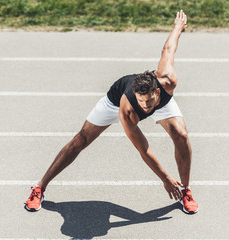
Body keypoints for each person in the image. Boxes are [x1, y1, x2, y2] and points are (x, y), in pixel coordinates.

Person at [25, 10, 198, 214]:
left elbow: (168, 49)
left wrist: (177, 27)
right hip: (112, 103)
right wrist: (165, 178)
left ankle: (186, 191)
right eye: (142, 102)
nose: (146, 107)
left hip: (163, 103)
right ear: (136, 95)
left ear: (157, 91)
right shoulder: (127, 110)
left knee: (181, 135)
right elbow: (143, 149)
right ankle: (40, 187)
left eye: (149, 101)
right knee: (80, 141)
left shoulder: (168, 80)